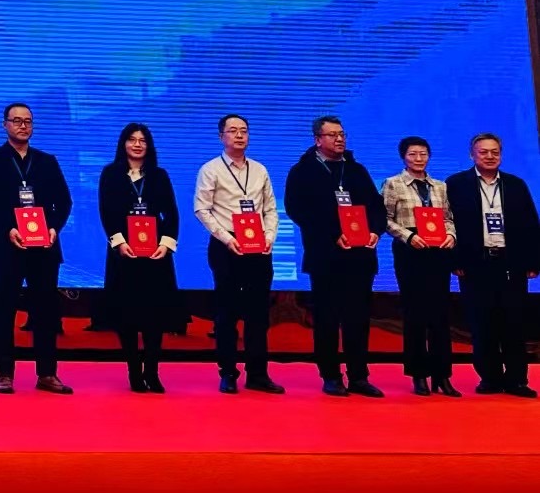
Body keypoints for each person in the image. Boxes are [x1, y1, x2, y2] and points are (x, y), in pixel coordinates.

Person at [0, 102, 72, 394]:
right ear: (5, 125)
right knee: (4, 309)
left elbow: (64, 202)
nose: (22, 126)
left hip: (44, 247)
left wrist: (53, 228)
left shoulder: (47, 161)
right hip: (7, 246)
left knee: (46, 312)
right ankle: (4, 373)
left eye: (27, 121)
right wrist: (8, 228)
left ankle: (47, 373)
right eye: (16, 121)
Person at [283, 116, 385, 397]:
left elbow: (376, 206)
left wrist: (375, 231)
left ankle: (359, 376)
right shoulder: (302, 171)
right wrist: (332, 235)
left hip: (360, 257)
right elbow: (297, 210)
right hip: (325, 257)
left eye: (342, 134)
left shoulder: (356, 170)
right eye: (332, 135)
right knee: (326, 318)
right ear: (318, 139)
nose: (339, 139)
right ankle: (330, 375)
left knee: (358, 319)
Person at [193, 114, 283, 394]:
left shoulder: (259, 169)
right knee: (227, 313)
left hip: (259, 246)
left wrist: (269, 237)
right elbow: (201, 209)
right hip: (226, 246)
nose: (239, 135)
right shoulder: (211, 169)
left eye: (244, 130)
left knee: (258, 313)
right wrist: (226, 237)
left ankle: (258, 373)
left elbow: (270, 209)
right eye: (233, 131)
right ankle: (228, 373)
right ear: (221, 136)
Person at [445, 133, 540, 397]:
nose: (489, 156)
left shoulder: (515, 184)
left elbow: (531, 225)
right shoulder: (456, 184)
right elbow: (447, 223)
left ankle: (517, 380)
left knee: (514, 323)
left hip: (511, 264)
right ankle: (490, 378)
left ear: (501, 154)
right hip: (475, 264)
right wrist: (455, 260)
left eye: (494, 152)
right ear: (472, 155)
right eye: (483, 152)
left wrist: (533, 261)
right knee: (482, 323)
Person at [98, 123, 180, 394]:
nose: (137, 144)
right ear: (123, 143)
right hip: (124, 254)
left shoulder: (159, 175)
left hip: (155, 255)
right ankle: (134, 371)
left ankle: (152, 372)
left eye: (142, 140)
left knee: (154, 316)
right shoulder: (111, 174)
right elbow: (106, 212)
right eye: (132, 139)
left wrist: (166, 244)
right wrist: (119, 242)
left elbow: (172, 213)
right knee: (127, 315)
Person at [381, 136, 458, 396]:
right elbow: (384, 219)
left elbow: (449, 218)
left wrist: (451, 235)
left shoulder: (440, 186)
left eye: (423, 154)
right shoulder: (393, 184)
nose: (418, 158)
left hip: (438, 252)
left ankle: (442, 375)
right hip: (410, 251)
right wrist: (408, 236)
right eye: (413, 154)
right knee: (415, 314)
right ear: (403, 157)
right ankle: (419, 375)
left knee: (440, 314)